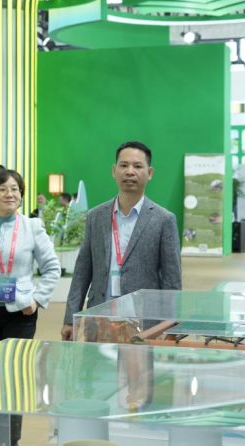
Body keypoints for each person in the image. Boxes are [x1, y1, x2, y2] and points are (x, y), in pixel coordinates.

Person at [0, 169, 61, 446]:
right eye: (2, 189)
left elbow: (52, 268)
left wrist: (36, 299)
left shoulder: (32, 227)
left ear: (21, 195)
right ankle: (2, 435)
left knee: (13, 374)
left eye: (15, 189)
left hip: (21, 312)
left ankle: (12, 438)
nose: (10, 194)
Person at [61, 141, 182, 342]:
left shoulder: (163, 220)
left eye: (137, 166)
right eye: (124, 165)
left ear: (149, 173)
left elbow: (172, 281)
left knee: (140, 364)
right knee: (97, 363)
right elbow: (82, 272)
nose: (130, 172)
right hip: (99, 319)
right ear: (114, 170)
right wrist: (69, 319)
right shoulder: (96, 216)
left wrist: (171, 326)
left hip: (144, 323)